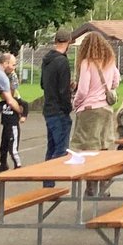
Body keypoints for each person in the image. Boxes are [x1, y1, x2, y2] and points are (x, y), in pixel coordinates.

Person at [69, 31, 121, 153]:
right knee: (104, 147)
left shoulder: (86, 63)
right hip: (106, 109)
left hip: (89, 109)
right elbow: (116, 81)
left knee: (88, 149)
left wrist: (75, 103)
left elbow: (82, 90)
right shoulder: (110, 61)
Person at [40, 31, 74, 160]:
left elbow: (43, 84)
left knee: (51, 148)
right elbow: (63, 91)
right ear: (68, 42)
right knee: (60, 150)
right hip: (59, 110)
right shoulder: (62, 61)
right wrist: (68, 108)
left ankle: (47, 179)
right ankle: (52, 176)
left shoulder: (46, 61)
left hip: (48, 108)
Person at [0, 83, 28, 172]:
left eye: (2, 93)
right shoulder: (1, 103)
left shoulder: (16, 101)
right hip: (5, 127)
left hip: (13, 127)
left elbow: (25, 105)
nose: (1, 96)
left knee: (12, 148)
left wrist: (24, 116)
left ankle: (18, 165)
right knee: (3, 146)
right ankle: (3, 164)